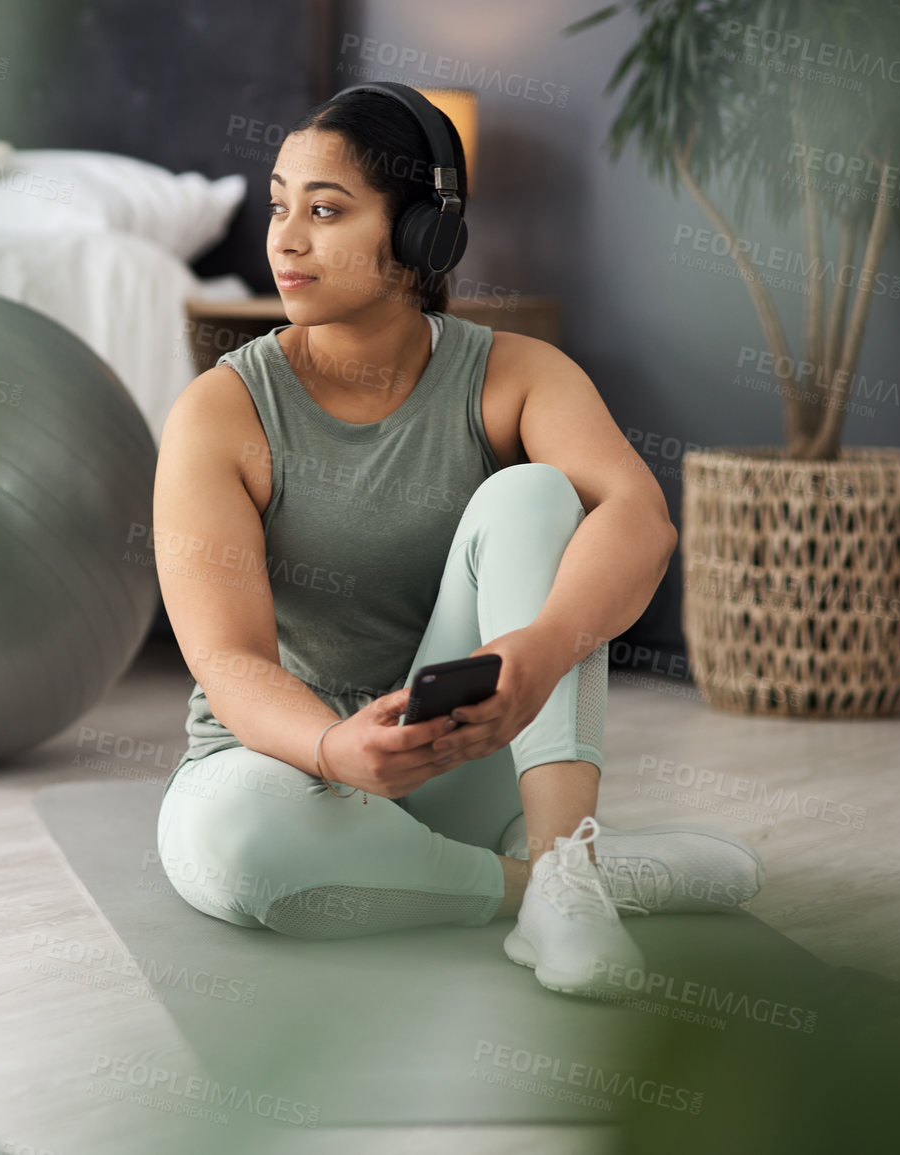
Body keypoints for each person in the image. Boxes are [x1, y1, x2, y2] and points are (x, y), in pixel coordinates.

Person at [150, 83, 764, 994]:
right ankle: (561, 884)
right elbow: (228, 659)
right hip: (286, 773)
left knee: (537, 495)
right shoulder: (222, 409)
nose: (283, 238)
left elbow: (640, 520)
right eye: (280, 204)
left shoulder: (516, 375)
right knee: (242, 846)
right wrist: (332, 750)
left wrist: (542, 647)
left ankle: (560, 862)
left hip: (468, 757)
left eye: (324, 210)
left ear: (420, 237)